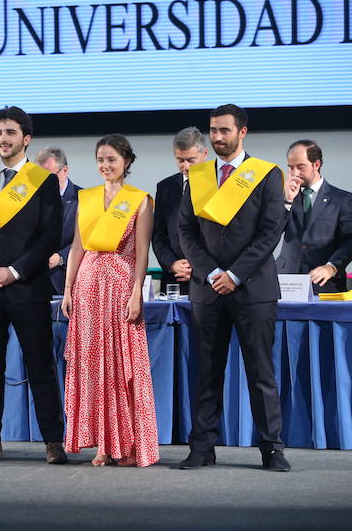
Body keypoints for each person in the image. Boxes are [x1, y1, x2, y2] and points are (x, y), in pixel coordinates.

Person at [178, 104, 290, 471]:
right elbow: (187, 232)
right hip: (208, 290)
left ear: (243, 132)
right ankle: (202, 448)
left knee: (261, 373)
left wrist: (236, 274)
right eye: (213, 130)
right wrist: (211, 273)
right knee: (207, 371)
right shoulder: (197, 176)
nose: (217, 137)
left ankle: (272, 449)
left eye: (224, 130)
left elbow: (271, 231)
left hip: (253, 290)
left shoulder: (266, 174)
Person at [0, 106, 67, 464]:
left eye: (10, 133)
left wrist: (15, 271)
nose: (2, 139)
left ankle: (53, 440)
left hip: (26, 287)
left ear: (26, 139)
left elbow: (49, 236)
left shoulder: (43, 180)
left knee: (40, 367)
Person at [61, 135, 159, 467]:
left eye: (112, 159)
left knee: (121, 366)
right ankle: (103, 444)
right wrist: (68, 288)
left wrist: (136, 293)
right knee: (93, 367)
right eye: (101, 160)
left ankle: (129, 445)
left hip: (120, 286)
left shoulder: (140, 200)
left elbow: (143, 251)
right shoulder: (85, 198)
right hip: (87, 288)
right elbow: (77, 247)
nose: (105, 166)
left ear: (127, 162)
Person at [277, 140, 352, 294]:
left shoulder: (342, 199)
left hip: (325, 284)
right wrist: (287, 201)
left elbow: (350, 241)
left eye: (300, 167)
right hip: (286, 283)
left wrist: (332, 267)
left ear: (316, 164)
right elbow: (270, 233)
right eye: (290, 167)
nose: (294, 173)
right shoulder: (283, 197)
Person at [152, 127, 209, 296]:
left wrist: (199, 266)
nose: (185, 167)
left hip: (209, 279)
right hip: (174, 279)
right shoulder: (165, 187)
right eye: (180, 160)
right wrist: (172, 264)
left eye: (191, 160)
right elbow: (158, 236)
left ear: (205, 154)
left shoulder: (220, 185)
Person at [36, 146, 81, 296]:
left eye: (49, 177)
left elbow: (87, 239)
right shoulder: (30, 200)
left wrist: (61, 257)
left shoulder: (83, 198)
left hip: (68, 280)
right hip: (34, 280)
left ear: (65, 170)